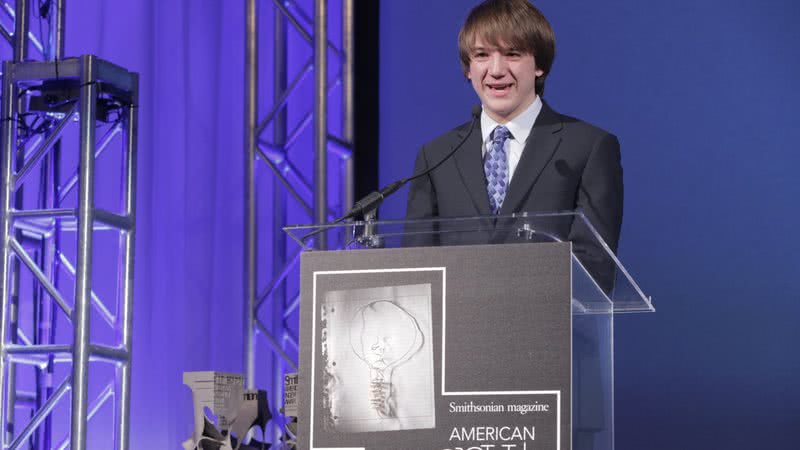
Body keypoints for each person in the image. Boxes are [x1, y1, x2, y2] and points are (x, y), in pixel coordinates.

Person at [405, 0, 623, 291]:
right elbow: (416, 270)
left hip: (544, 330)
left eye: (512, 54)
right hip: (459, 332)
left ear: (539, 65)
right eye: (482, 55)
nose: (496, 70)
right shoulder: (436, 156)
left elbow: (595, 268)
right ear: (468, 69)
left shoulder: (588, 147)